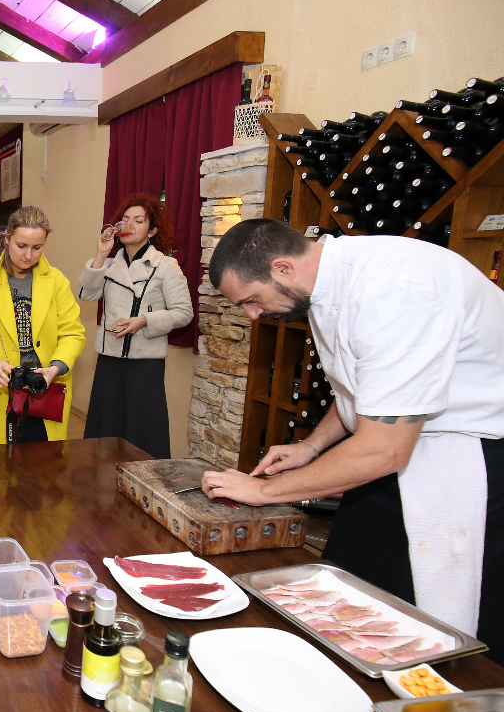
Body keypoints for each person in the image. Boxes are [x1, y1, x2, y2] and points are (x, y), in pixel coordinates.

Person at [200, 218, 504, 660]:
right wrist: (311, 446)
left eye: (251, 300)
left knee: (428, 623)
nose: (253, 314)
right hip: (395, 450)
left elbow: (384, 449)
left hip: (466, 459)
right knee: (348, 590)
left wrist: (262, 491)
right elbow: (361, 391)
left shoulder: (396, 290)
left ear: (282, 268)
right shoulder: (325, 284)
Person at [0, 206, 86, 445]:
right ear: (7, 239)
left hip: (46, 390)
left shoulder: (57, 282)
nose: (28, 255)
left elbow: (73, 334)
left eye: (37, 247)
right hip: (0, 392)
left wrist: (55, 368)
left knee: (46, 462)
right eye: (21, 246)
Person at [77, 194, 192, 458]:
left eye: (139, 221)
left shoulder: (166, 266)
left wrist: (145, 321)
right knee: (106, 431)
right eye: (125, 219)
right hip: (109, 359)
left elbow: (184, 313)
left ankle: (144, 479)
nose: (129, 225)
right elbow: (86, 294)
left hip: (145, 363)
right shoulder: (108, 265)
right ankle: (103, 480)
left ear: (152, 231)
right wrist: (100, 254)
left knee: (142, 432)